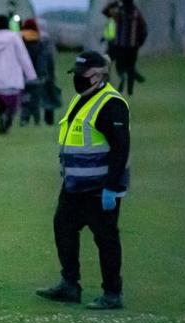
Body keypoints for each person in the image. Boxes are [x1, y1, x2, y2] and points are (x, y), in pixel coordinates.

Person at [37, 51, 130, 310]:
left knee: (106, 239)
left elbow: (121, 149)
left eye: (83, 75)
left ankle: (112, 293)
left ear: (99, 75)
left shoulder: (112, 104)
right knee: (63, 228)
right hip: (74, 187)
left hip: (99, 189)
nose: (78, 80)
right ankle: (69, 285)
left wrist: (112, 186)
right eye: (76, 75)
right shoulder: (83, 99)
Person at [0, 14, 37, 134]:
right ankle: (7, 123)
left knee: (1, 104)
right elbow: (23, 57)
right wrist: (31, 74)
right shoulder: (14, 38)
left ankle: (1, 120)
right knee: (12, 105)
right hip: (12, 77)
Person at [102, 0, 147, 95]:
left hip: (120, 45)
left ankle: (121, 77)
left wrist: (115, 2)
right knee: (131, 67)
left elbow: (105, 11)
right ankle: (130, 92)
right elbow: (144, 29)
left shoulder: (119, 12)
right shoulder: (136, 13)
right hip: (133, 46)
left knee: (118, 65)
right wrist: (140, 42)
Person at [19, 18, 61, 126]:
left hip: (25, 73)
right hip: (44, 73)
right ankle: (46, 120)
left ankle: (25, 119)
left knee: (27, 96)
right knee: (47, 95)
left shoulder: (21, 38)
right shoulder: (45, 39)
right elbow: (47, 57)